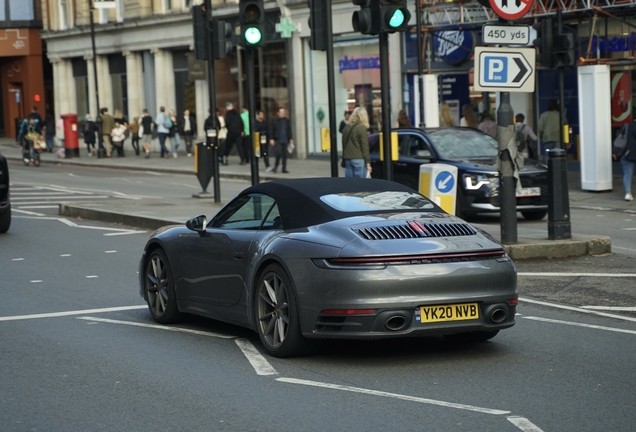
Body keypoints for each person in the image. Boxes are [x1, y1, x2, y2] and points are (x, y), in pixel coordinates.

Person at [342, 106, 371, 178]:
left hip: (348, 159)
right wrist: (368, 163)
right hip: (358, 159)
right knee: (360, 184)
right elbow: (364, 147)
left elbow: (344, 144)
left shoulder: (346, 127)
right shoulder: (361, 128)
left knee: (350, 184)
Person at [613, 118, 636, 201]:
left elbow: (619, 139)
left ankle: (628, 193)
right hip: (630, 153)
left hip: (626, 153)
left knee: (627, 173)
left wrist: (615, 152)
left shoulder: (626, 126)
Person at [268, 107, 293, 174]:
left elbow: (289, 130)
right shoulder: (274, 121)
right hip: (278, 139)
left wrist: (290, 138)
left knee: (285, 155)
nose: (282, 113)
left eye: (283, 112)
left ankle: (284, 168)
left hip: (285, 139)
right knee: (278, 153)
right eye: (281, 112)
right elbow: (271, 130)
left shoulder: (287, 121)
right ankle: (276, 167)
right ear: (278, 113)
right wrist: (271, 138)